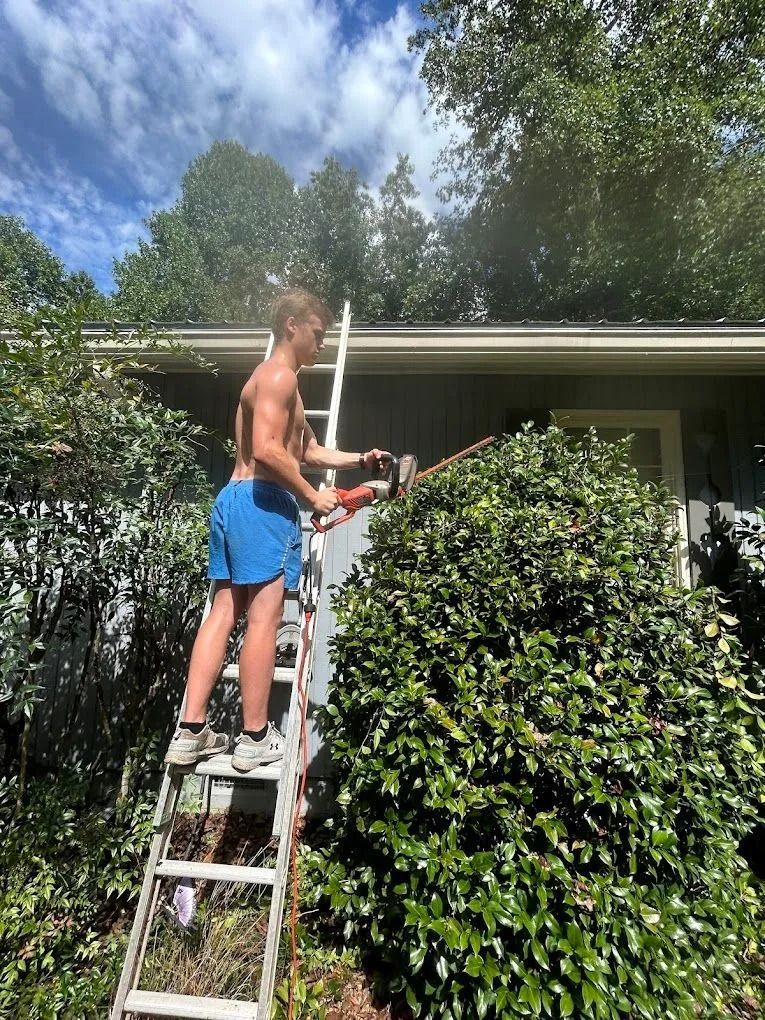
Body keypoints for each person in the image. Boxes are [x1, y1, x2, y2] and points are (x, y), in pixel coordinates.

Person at [164, 289, 389, 771]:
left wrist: (360, 459)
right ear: (292, 325)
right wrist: (311, 498)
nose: (322, 343)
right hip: (262, 503)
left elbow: (306, 451)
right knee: (263, 620)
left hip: (235, 500)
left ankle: (191, 731)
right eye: (317, 333)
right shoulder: (279, 376)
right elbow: (268, 450)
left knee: (224, 610)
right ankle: (254, 738)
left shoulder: (279, 385)